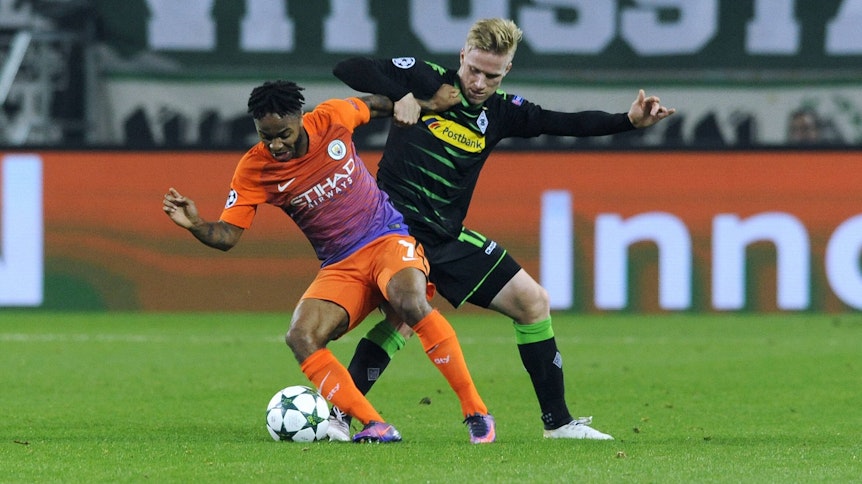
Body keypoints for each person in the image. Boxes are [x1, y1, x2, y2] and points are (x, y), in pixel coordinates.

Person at [328, 18, 675, 441]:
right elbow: (348, 67)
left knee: (533, 302)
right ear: (461, 57)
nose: (478, 82)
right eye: (473, 69)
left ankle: (559, 425)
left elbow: (564, 122)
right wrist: (402, 94)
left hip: (445, 237)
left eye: (491, 75)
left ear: (507, 70)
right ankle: (337, 416)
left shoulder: (502, 112)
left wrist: (628, 120)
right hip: (392, 231)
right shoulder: (426, 78)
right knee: (402, 316)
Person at [161, 80, 496, 444]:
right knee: (300, 336)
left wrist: (424, 102)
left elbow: (376, 103)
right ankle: (375, 425)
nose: (276, 145)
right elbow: (227, 236)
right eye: (265, 136)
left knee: (410, 302)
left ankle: (476, 411)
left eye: (283, 134)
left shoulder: (332, 117)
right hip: (340, 264)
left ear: (301, 118)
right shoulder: (255, 168)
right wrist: (195, 224)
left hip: (386, 238)